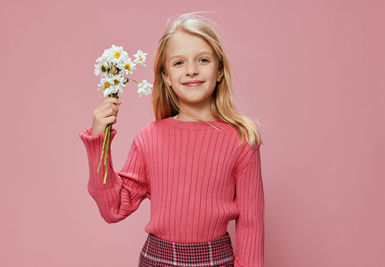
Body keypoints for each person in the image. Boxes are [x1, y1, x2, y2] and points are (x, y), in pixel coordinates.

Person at [79, 12, 265, 267]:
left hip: (216, 260)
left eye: (203, 59)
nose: (191, 70)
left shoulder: (242, 139)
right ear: (166, 77)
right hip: (157, 260)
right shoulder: (149, 138)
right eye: (178, 63)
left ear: (220, 70)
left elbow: (251, 224)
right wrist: (99, 140)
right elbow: (113, 209)